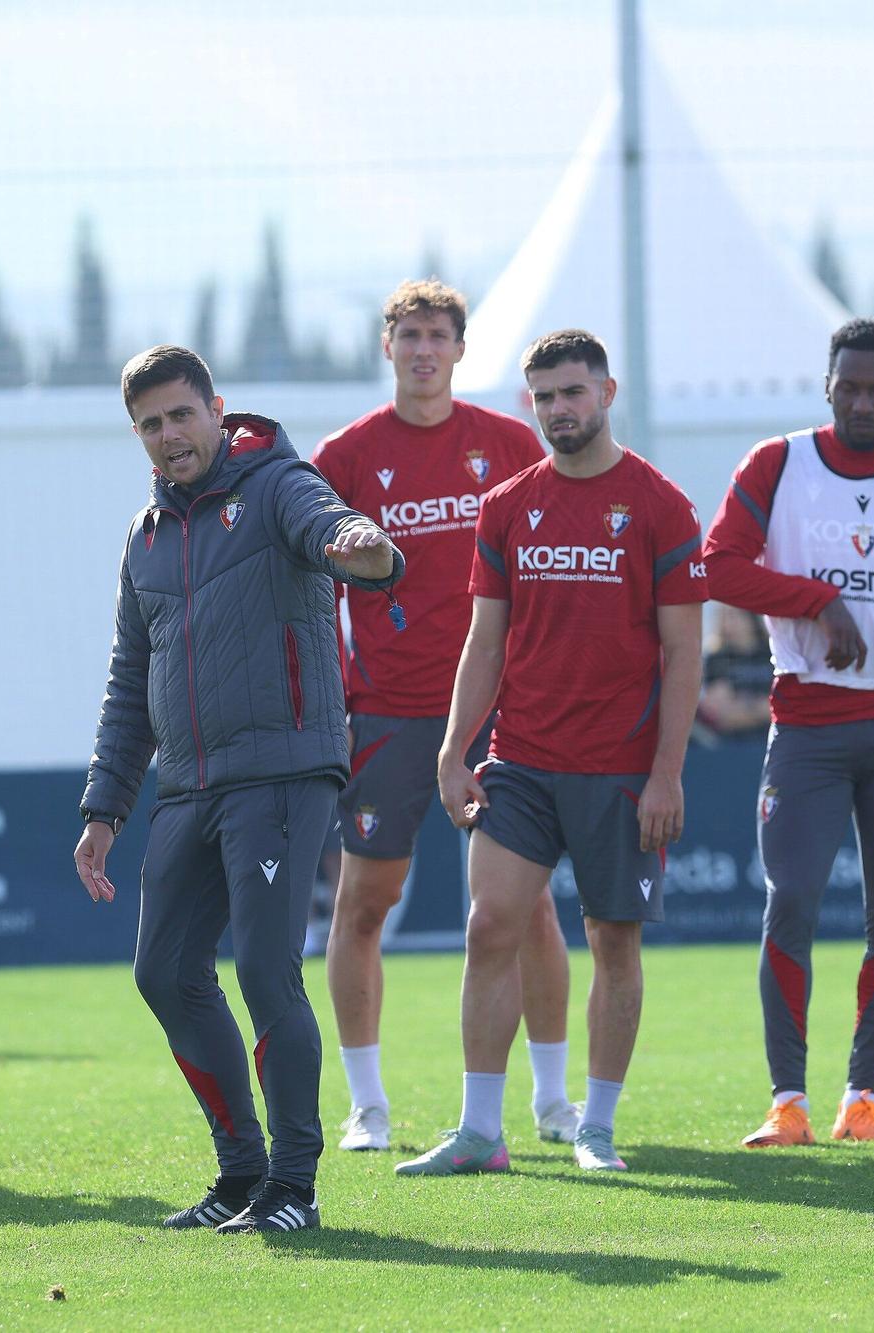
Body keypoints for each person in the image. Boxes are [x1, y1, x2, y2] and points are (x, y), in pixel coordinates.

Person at [73, 345, 405, 1234]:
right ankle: (241, 1174)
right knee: (164, 971)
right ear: (137, 435)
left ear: (216, 409)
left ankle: (295, 1185)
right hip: (186, 786)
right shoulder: (144, 539)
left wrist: (359, 546)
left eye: (182, 414)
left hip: (284, 774)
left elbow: (333, 529)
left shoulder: (276, 483)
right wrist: (104, 808)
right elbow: (127, 681)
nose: (170, 434)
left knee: (263, 968)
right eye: (151, 422)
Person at [398, 329, 705, 1176]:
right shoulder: (506, 506)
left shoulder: (661, 504)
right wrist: (455, 750)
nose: (559, 409)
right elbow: (483, 644)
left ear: (607, 393)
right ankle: (480, 1132)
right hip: (522, 759)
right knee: (489, 925)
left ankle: (596, 1128)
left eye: (573, 392)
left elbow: (685, 653)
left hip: (621, 769)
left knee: (613, 941)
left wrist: (667, 773)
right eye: (543, 396)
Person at [703, 318, 874, 1149]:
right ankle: (789, 1101)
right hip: (810, 723)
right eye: (849, 386)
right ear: (827, 386)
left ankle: (864, 1098)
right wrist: (816, 600)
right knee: (791, 902)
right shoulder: (779, 464)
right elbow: (717, 563)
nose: (863, 401)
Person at [311, 280, 571, 1153]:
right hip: (388, 711)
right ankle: (367, 1105)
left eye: (439, 336)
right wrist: (331, 698)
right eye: (409, 334)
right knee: (365, 901)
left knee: (524, 908)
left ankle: (552, 1100)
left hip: (502, 716)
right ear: (387, 346)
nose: (424, 349)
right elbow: (307, 588)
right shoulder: (344, 458)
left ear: (462, 349)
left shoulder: (506, 444)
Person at [698, 606, 774, 740]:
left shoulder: (771, 654)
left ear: (751, 617)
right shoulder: (716, 658)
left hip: (771, 737)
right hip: (730, 743)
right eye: (724, 617)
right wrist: (759, 710)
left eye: (733, 616)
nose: (728, 623)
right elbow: (720, 711)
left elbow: (784, 703)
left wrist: (747, 708)